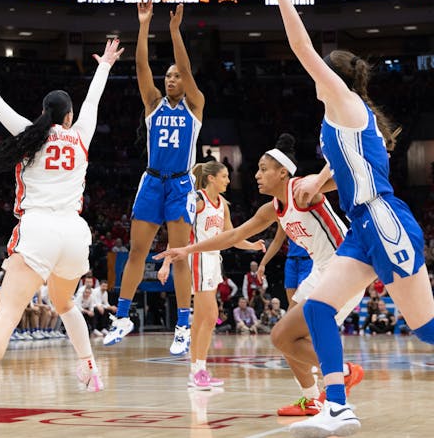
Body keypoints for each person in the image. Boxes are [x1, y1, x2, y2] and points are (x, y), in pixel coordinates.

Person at [266, 0, 434, 437]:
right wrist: (321, 181)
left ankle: (337, 403)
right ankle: (337, 406)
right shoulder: (339, 125)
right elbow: (347, 168)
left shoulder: (344, 101)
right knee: (317, 308)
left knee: (425, 330)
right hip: (361, 228)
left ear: (335, 76)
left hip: (382, 220)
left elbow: (301, 48)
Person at [0, 34, 124, 430]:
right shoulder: (80, 135)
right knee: (65, 305)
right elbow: (94, 101)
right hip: (74, 235)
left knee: (8, 312)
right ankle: (89, 367)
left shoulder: (29, 133)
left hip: (38, 229)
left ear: (44, 112)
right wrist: (104, 65)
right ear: (68, 116)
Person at [156, 133, 366, 420]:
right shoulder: (272, 209)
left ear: (282, 172)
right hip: (322, 270)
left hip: (345, 268)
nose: (256, 175)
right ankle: (311, 399)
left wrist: (362, 158)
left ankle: (343, 372)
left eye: (263, 169)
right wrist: (186, 249)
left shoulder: (303, 189)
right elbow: (233, 235)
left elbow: (344, 178)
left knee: (283, 337)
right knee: (286, 338)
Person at [104, 1, 204, 358]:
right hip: (151, 182)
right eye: (169, 76)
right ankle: (121, 317)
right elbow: (142, 65)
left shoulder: (195, 104)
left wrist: (175, 32)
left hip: (180, 184)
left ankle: (182, 325)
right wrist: (144, 23)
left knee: (178, 256)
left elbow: (189, 72)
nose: (171, 79)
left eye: (176, 76)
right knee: (137, 252)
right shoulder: (153, 104)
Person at [159, 160, 264, 389]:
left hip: (213, 260)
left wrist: (252, 246)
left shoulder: (222, 205)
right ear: (211, 178)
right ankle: (198, 370)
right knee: (209, 316)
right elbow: (178, 233)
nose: (228, 180)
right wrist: (167, 262)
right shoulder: (197, 200)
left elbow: (231, 236)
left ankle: (197, 370)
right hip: (197, 259)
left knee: (203, 319)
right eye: (224, 176)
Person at [260, 225, 313, 310]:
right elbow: (277, 241)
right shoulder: (286, 217)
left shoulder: (312, 215)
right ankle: (292, 321)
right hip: (291, 262)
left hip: (308, 261)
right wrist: (263, 264)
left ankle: (288, 321)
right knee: (292, 303)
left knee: (302, 298)